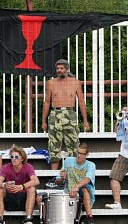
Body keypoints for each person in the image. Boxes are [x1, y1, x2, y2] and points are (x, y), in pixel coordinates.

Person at [42, 59, 90, 187]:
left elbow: (81, 102)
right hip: (55, 114)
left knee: (74, 146)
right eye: (58, 69)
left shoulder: (75, 83)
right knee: (54, 147)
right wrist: (44, 121)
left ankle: (74, 177)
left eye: (62, 68)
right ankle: (53, 179)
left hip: (70, 114)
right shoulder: (51, 83)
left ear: (67, 69)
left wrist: (85, 121)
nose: (59, 71)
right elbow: (47, 102)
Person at [0, 145, 40, 224]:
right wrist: (5, 185)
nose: (14, 159)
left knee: (31, 188)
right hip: (10, 199)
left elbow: (36, 181)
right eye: (12, 157)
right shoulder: (6, 167)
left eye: (16, 157)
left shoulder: (28, 167)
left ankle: (28, 219)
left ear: (22, 158)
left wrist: (21, 186)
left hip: (24, 200)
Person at [54, 142, 97, 224]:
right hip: (68, 196)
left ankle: (90, 218)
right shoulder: (68, 161)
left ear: (87, 154)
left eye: (82, 154)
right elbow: (57, 182)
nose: (79, 156)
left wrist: (76, 187)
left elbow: (87, 179)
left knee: (84, 189)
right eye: (78, 153)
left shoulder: (91, 165)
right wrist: (62, 178)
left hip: (84, 197)